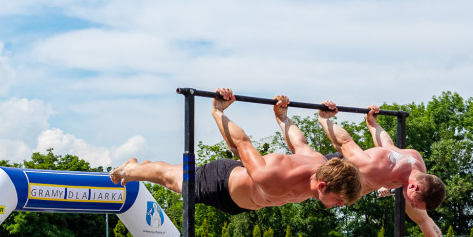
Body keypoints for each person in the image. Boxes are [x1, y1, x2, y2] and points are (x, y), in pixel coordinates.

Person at [111, 89, 361, 214]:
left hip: (246, 200)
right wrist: (218, 111)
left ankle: (138, 167)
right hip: (223, 184)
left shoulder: (317, 162)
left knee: (172, 175)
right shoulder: (272, 175)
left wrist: (282, 116)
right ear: (322, 185)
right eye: (340, 199)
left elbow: (299, 141)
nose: (341, 205)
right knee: (172, 179)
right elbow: (241, 144)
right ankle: (130, 170)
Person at [317, 103, 446, 209]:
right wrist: (324, 119)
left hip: (346, 190)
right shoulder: (375, 167)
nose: (412, 205)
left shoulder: (417, 163)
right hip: (335, 170)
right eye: (414, 203)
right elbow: (344, 143)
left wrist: (373, 124)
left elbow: (388, 145)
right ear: (414, 187)